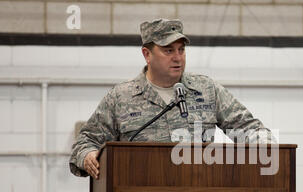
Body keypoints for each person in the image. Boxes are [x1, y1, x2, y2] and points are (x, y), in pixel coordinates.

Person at [69, 18, 274, 179]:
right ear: (147, 54)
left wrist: (265, 145)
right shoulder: (120, 97)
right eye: (168, 50)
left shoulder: (206, 90)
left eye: (181, 50)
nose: (178, 57)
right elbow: (85, 142)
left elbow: (249, 128)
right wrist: (88, 156)